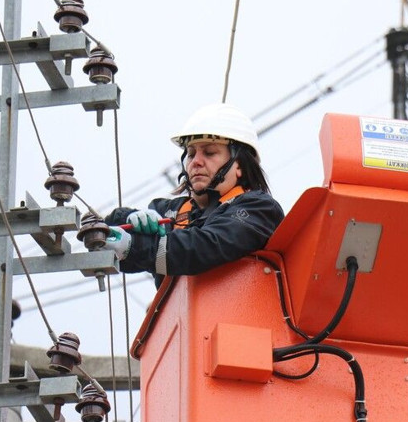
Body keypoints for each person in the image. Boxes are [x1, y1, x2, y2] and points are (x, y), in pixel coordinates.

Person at [103, 103, 285, 288]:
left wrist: (136, 246)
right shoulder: (170, 212)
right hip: (184, 317)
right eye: (190, 154)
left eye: (210, 152)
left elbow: (205, 246)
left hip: (238, 315)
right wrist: (118, 225)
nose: (195, 162)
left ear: (239, 165)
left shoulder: (259, 210)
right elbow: (104, 229)